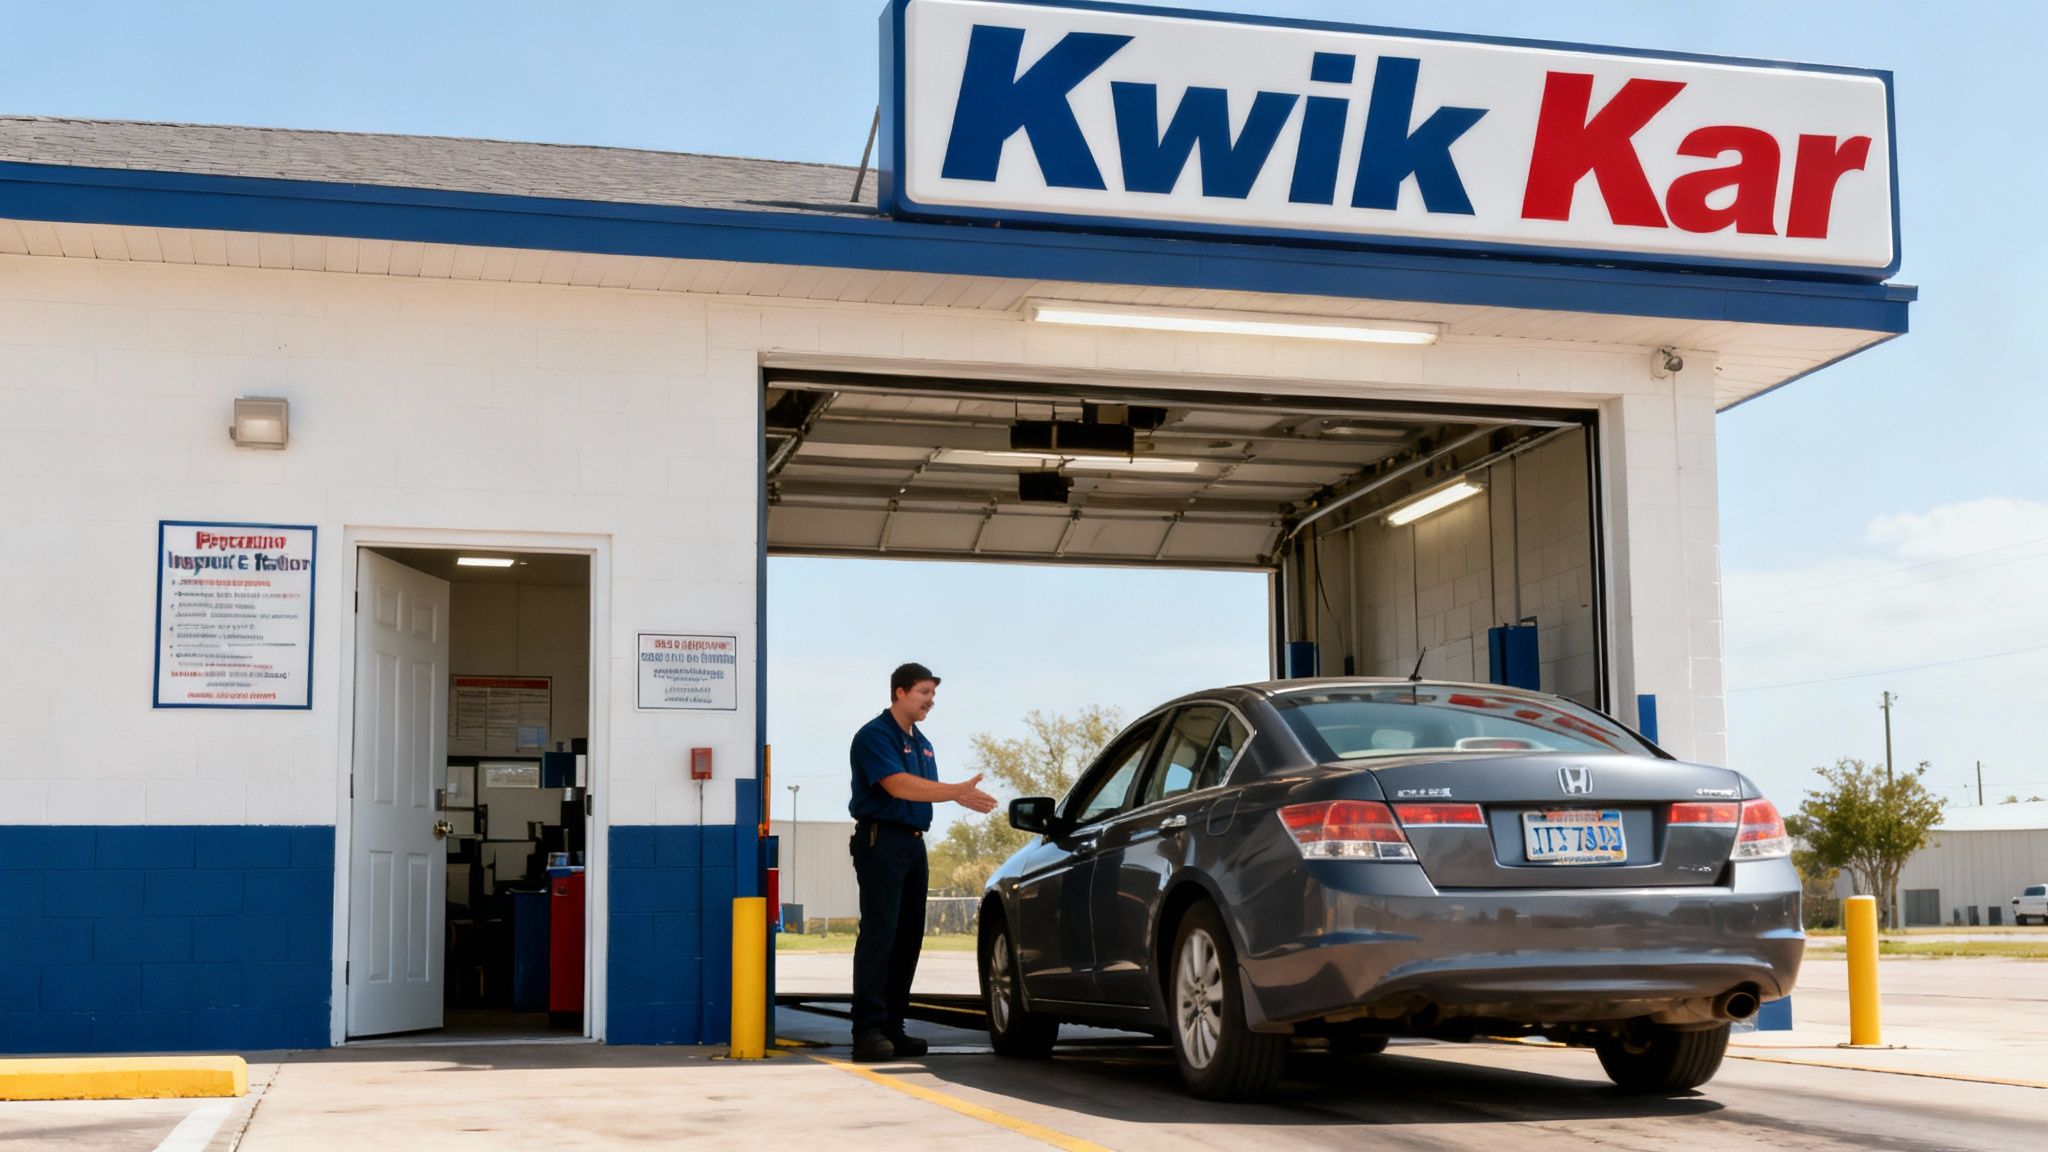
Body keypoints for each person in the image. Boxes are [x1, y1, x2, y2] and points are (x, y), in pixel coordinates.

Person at [847, 661, 996, 1062]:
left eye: (933, 694)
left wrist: (952, 794)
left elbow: (923, 791)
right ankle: (868, 1031)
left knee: (908, 936)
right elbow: (897, 785)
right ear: (900, 692)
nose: (931, 701)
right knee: (881, 932)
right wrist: (955, 792)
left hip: (914, 843)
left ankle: (893, 1027)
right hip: (882, 839)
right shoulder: (874, 736)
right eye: (924, 692)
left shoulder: (924, 743)